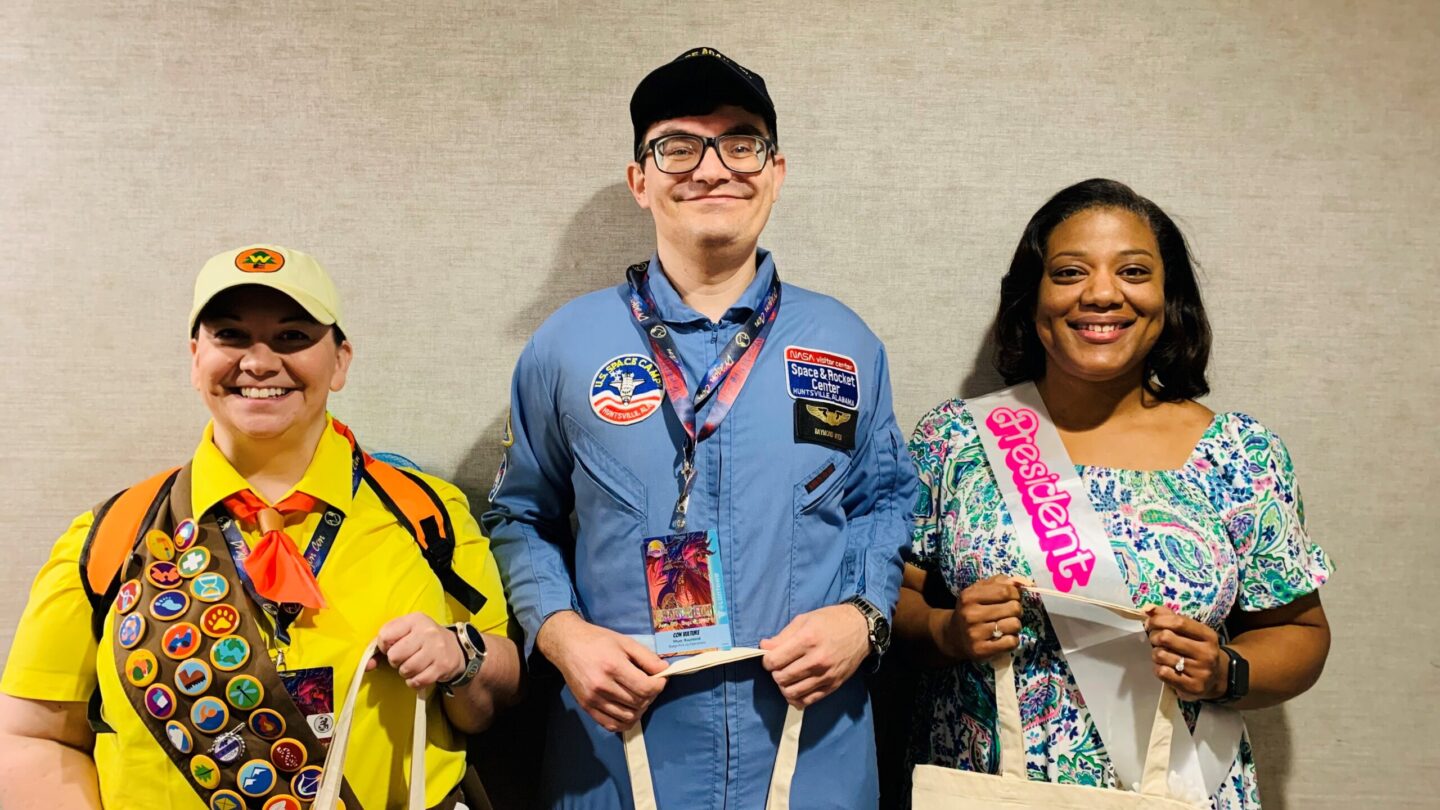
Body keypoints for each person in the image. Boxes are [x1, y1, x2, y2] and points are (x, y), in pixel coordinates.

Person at [484, 48, 916, 808]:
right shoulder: (564, 346)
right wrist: (558, 631)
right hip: (621, 757)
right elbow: (520, 515)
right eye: (678, 146)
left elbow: (885, 505)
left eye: (741, 142)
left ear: (776, 172)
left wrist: (865, 615)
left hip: (808, 755)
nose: (712, 168)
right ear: (640, 179)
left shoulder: (846, 343)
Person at [0, 245, 522, 809]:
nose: (259, 361)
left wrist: (459, 655)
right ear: (194, 356)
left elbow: (498, 692)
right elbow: (31, 733)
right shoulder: (111, 535)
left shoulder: (425, 513)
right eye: (230, 335)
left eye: (293, 337)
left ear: (341, 360)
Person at [894, 179, 1332, 808]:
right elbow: (892, 599)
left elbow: (1299, 631)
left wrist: (1227, 671)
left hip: (1179, 788)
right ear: (1032, 298)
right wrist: (944, 631)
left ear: (1167, 296)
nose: (1101, 293)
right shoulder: (955, 438)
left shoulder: (1241, 454)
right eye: (1070, 272)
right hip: (984, 785)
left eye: (1133, 271)